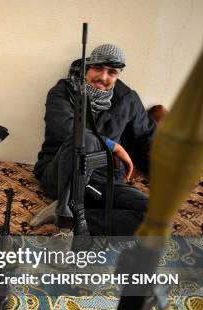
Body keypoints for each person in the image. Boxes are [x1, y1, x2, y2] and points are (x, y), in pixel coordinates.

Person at [33, 44, 156, 236]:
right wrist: (111, 145)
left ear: (119, 74)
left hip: (103, 179)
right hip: (62, 174)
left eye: (112, 72)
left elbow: (147, 139)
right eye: (98, 68)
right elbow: (65, 130)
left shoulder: (127, 99)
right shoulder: (62, 91)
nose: (103, 77)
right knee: (85, 139)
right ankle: (66, 209)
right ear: (87, 67)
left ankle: (70, 218)